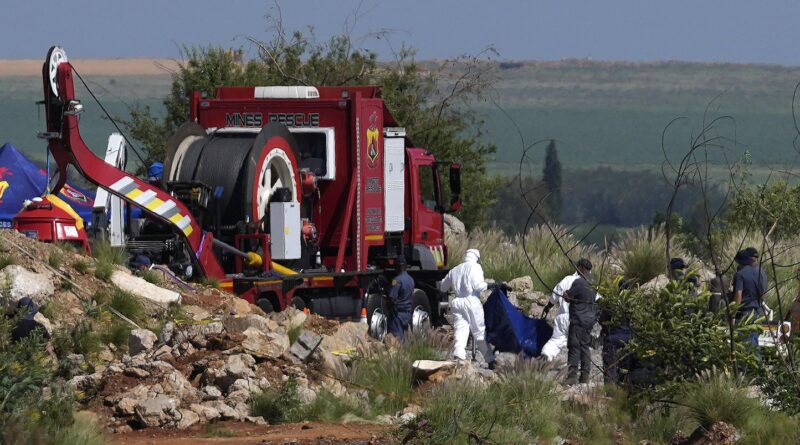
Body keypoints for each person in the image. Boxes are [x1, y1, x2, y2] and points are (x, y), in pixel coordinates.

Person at [439, 248, 496, 369]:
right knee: (479, 332)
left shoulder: (455, 269)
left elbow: (443, 287)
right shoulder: (475, 267)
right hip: (472, 301)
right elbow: (478, 286)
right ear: (476, 258)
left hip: (457, 302)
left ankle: (459, 357)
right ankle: (490, 360)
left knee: (460, 330)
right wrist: (493, 285)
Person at [540, 258, 594, 361]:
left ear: (580, 268)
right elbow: (598, 300)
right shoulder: (590, 284)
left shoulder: (567, 279)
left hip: (563, 317)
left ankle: (546, 355)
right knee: (579, 345)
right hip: (579, 320)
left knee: (556, 341)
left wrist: (548, 307)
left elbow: (555, 295)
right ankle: (577, 369)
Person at [565, 269, 598, 385]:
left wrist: (566, 294)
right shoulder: (594, 282)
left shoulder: (579, 282)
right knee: (585, 347)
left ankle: (572, 377)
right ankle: (585, 376)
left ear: (582, 268)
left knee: (574, 347)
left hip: (578, 319)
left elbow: (568, 297)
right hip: (589, 320)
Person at [733, 247, 767, 350]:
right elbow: (764, 295)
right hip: (759, 312)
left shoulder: (741, 274)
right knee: (754, 344)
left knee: (743, 345)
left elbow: (738, 295)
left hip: (745, 313)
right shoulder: (763, 273)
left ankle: (742, 366)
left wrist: (733, 314)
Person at [386, 255, 414, 340]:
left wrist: (387, 304)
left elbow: (392, 298)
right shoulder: (411, 279)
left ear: (398, 266)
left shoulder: (396, 280)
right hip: (408, 314)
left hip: (398, 315)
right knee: (405, 339)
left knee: (396, 340)